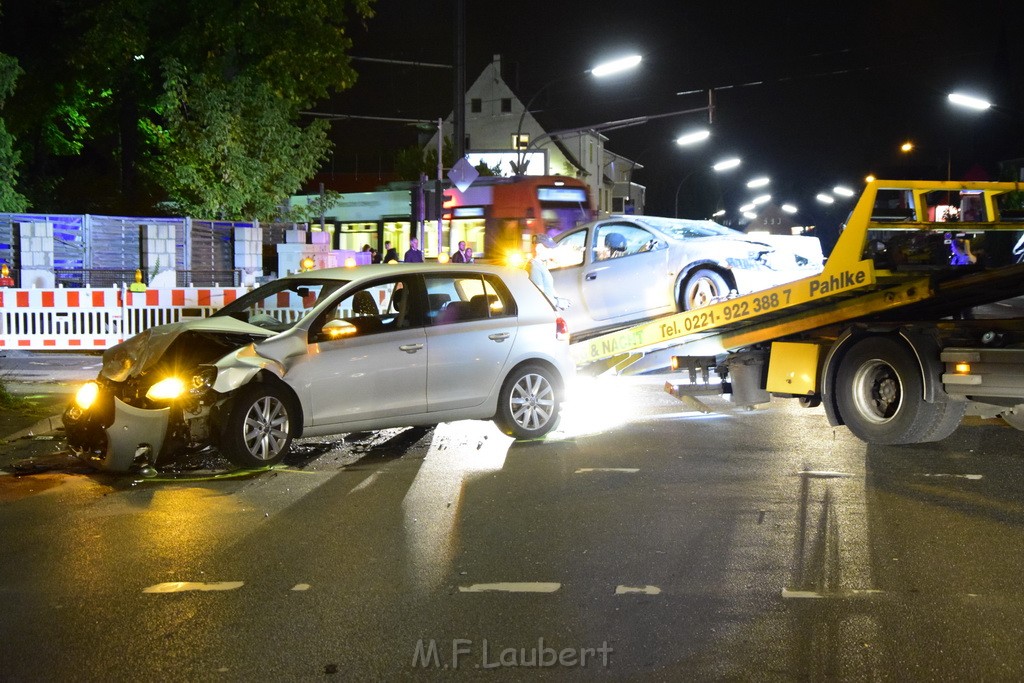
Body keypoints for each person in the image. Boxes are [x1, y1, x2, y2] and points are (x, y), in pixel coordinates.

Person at [528, 234, 570, 310]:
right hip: (543, 311)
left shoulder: (541, 265)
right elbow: (539, 296)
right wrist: (558, 302)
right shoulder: (534, 267)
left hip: (549, 308)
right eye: (549, 248)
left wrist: (559, 298)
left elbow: (548, 287)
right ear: (539, 248)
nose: (551, 251)